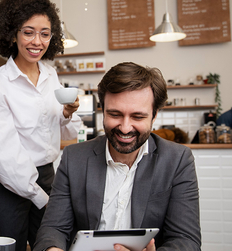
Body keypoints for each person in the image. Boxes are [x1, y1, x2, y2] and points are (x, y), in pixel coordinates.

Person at [34, 62, 201, 251]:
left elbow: (186, 240)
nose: (125, 128)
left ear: (154, 116)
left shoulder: (178, 160)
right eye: (115, 114)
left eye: (138, 117)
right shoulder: (74, 158)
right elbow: (53, 228)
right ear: (102, 111)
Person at [0, 0, 82, 250]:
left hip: (47, 175)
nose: (37, 41)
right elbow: (5, 155)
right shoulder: (0, 82)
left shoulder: (51, 75)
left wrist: (67, 113)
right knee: (11, 247)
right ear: (12, 34)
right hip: (10, 184)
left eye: (45, 34)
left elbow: (64, 127)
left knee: (51, 243)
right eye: (28, 32)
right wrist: (41, 197)